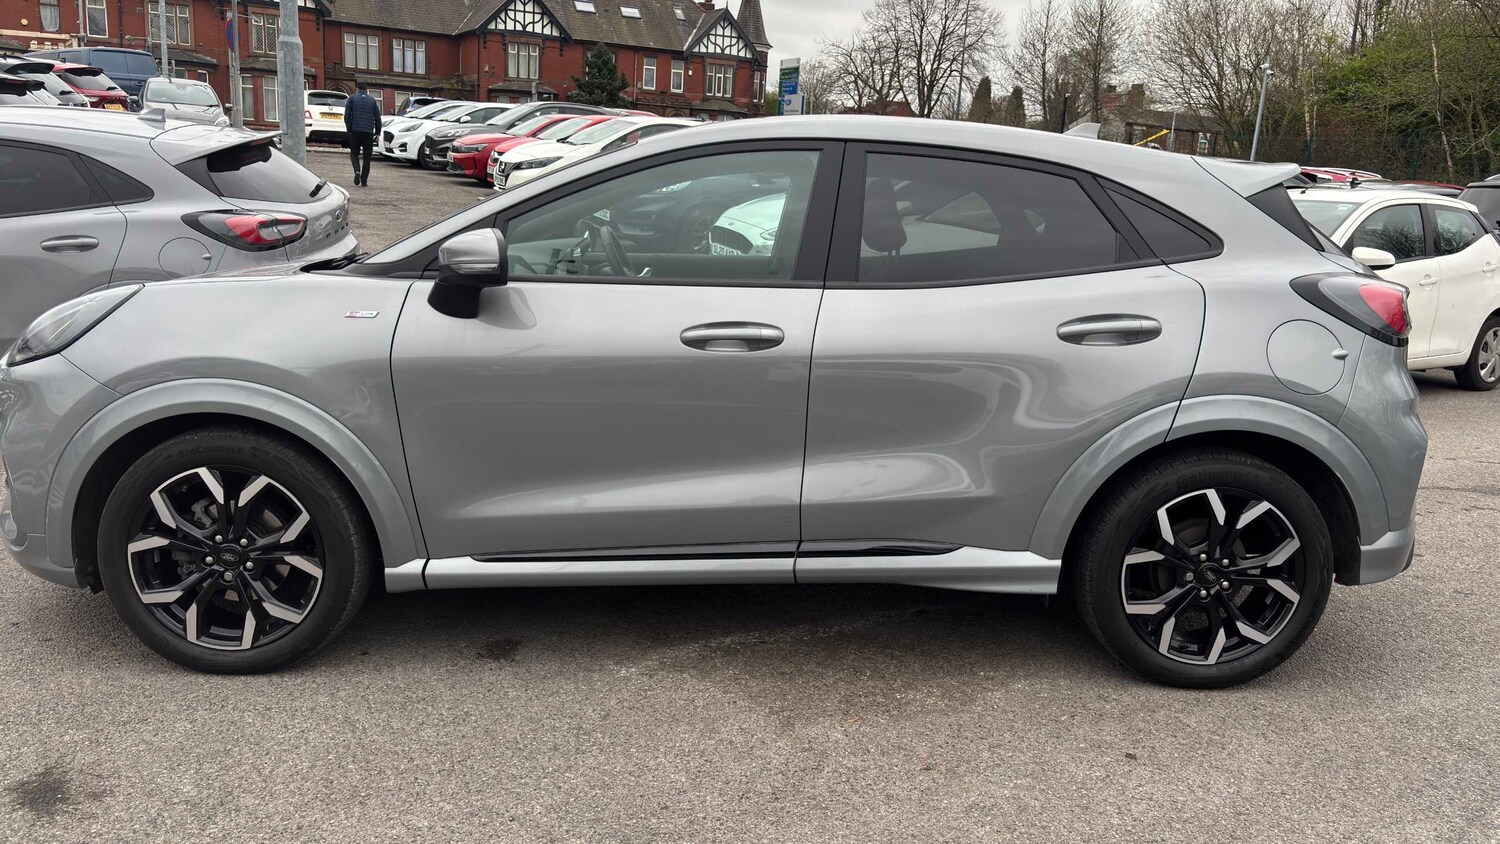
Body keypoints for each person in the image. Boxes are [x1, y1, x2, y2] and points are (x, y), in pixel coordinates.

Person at [343, 81, 381, 187]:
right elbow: (377, 118)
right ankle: (364, 181)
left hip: (355, 131)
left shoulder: (352, 98)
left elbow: (347, 116)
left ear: (357, 88)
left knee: (354, 153)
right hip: (368, 132)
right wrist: (377, 133)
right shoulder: (372, 100)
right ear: (366, 89)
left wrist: (349, 129)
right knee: (367, 157)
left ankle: (357, 171)